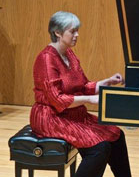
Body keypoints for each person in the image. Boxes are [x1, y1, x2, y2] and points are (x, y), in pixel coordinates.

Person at [30, 11, 131, 177]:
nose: (77, 35)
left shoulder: (69, 53)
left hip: (73, 114)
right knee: (100, 148)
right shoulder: (46, 59)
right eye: (72, 31)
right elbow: (57, 100)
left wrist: (107, 82)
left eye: (77, 30)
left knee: (117, 135)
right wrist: (91, 99)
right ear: (58, 32)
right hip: (51, 117)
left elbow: (83, 85)